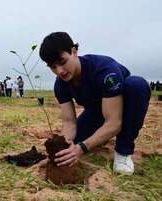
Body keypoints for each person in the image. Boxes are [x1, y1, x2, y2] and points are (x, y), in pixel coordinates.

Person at [39, 32, 150, 175]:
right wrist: (64, 146)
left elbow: (114, 122)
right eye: (53, 67)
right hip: (96, 111)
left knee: (137, 85)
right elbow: (69, 122)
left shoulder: (104, 70)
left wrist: (82, 148)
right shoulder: (61, 84)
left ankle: (123, 151)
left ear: (74, 51)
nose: (59, 71)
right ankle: (100, 137)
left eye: (62, 62)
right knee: (76, 141)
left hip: (124, 106)